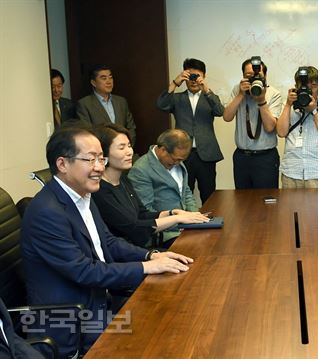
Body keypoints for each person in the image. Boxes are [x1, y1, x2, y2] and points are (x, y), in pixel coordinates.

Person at [20, 127, 194, 357]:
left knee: (177, 316)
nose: (100, 167)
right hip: (72, 320)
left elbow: (108, 242)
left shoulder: (82, 195)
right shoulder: (47, 212)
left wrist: (151, 256)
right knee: (161, 338)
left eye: (101, 158)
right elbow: (84, 271)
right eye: (90, 159)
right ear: (62, 164)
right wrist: (146, 268)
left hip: (98, 300)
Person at [93, 124, 209, 249]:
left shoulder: (123, 180)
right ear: (102, 154)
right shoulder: (100, 189)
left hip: (138, 248)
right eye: (122, 148)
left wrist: (172, 213)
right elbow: (134, 227)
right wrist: (177, 219)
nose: (129, 152)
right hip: (129, 252)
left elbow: (143, 214)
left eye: (129, 146)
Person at [157, 58, 225, 203]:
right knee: (182, 192)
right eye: (190, 76)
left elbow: (220, 111)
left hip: (206, 154)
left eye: (197, 76)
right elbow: (161, 105)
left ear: (204, 76)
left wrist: (206, 89)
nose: (193, 80)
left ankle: (211, 221)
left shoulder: (210, 97)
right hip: (181, 154)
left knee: (209, 194)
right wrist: (175, 83)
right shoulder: (177, 98)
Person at [128, 129, 199, 242]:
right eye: (175, 159)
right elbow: (146, 212)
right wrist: (179, 222)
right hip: (166, 233)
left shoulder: (176, 160)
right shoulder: (141, 170)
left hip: (185, 226)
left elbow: (185, 192)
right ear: (163, 150)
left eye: (181, 160)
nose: (177, 163)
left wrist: (196, 217)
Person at [222, 57, 283, 189]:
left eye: (257, 75)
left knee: (267, 201)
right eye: (248, 75)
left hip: (265, 158)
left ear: (265, 76)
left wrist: (261, 100)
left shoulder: (274, 93)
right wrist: (240, 95)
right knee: (242, 201)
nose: (253, 78)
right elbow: (227, 117)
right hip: (242, 157)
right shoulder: (238, 89)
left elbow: (270, 127)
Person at [276, 66, 318, 188]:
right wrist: (288, 105)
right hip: (291, 174)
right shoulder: (287, 106)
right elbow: (281, 132)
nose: (309, 91)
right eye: (304, 87)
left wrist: (315, 111)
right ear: (296, 87)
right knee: (291, 208)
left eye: (313, 86)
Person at [76, 65, 137, 145]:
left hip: (124, 150)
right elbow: (87, 133)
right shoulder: (84, 104)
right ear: (93, 83)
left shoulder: (121, 101)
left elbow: (131, 128)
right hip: (101, 153)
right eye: (104, 78)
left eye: (110, 77)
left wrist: (127, 146)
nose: (109, 81)